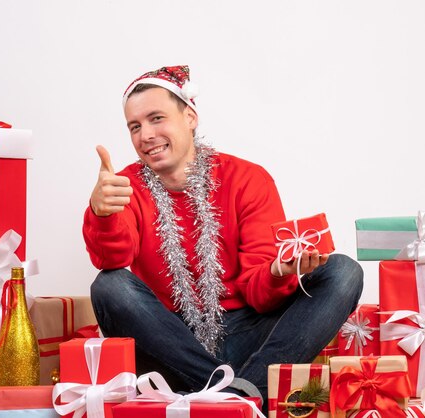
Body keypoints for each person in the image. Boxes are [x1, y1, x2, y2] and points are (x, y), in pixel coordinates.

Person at [83, 65, 363, 405]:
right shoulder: (125, 186)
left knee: (343, 271)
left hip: (248, 337)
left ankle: (235, 395)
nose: (146, 135)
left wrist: (278, 271)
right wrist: (102, 212)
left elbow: (260, 296)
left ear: (189, 116)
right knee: (109, 285)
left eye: (157, 118)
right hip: (170, 343)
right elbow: (112, 259)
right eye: (135, 126)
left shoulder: (247, 179)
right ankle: (241, 398)